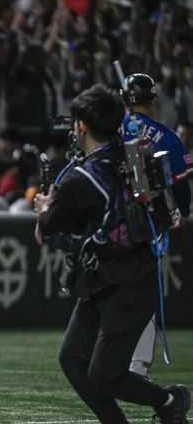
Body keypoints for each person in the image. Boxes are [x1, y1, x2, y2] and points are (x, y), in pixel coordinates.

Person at [33, 84, 190, 424]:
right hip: (113, 278)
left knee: (104, 374)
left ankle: (168, 400)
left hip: (126, 285)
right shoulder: (130, 158)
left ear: (81, 126)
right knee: (73, 359)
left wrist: (45, 206)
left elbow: (46, 228)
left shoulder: (81, 178)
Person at [119, 74, 193, 379]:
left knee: (105, 290)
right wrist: (183, 214)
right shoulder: (167, 136)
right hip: (147, 223)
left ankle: (98, 358)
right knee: (142, 294)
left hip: (108, 221)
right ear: (153, 99)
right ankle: (136, 368)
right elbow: (180, 185)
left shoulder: (108, 129)